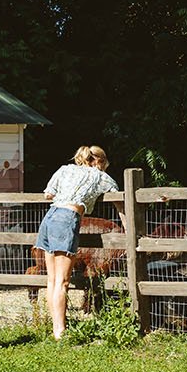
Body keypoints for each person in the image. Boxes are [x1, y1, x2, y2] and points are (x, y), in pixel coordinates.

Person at [37, 145, 121, 340]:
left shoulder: (64, 170)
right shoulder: (100, 176)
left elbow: (48, 194)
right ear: (100, 162)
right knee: (63, 281)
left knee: (52, 280)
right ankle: (60, 332)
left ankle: (55, 328)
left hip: (49, 218)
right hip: (67, 218)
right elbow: (116, 194)